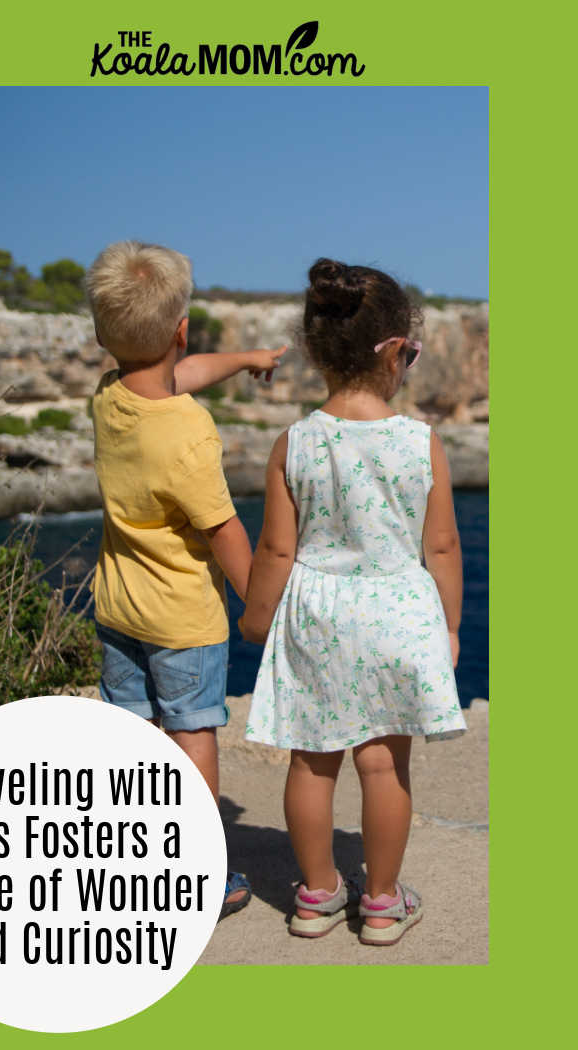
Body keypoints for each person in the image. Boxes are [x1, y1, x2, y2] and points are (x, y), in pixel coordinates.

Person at [239, 257, 467, 945]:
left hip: (318, 614)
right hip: (396, 614)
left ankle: (316, 895)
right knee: (383, 764)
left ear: (314, 352)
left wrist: (254, 617)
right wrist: (448, 630)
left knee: (312, 761)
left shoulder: (295, 443)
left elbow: (277, 550)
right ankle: (383, 903)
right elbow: (444, 548)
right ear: (398, 351)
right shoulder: (420, 442)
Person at [86, 240, 286, 920]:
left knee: (136, 740)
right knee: (191, 735)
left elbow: (177, 373)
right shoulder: (187, 433)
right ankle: (202, 871)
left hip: (117, 611)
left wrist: (245, 361)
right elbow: (225, 531)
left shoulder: (108, 396)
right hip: (182, 623)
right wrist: (265, 612)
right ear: (180, 328)